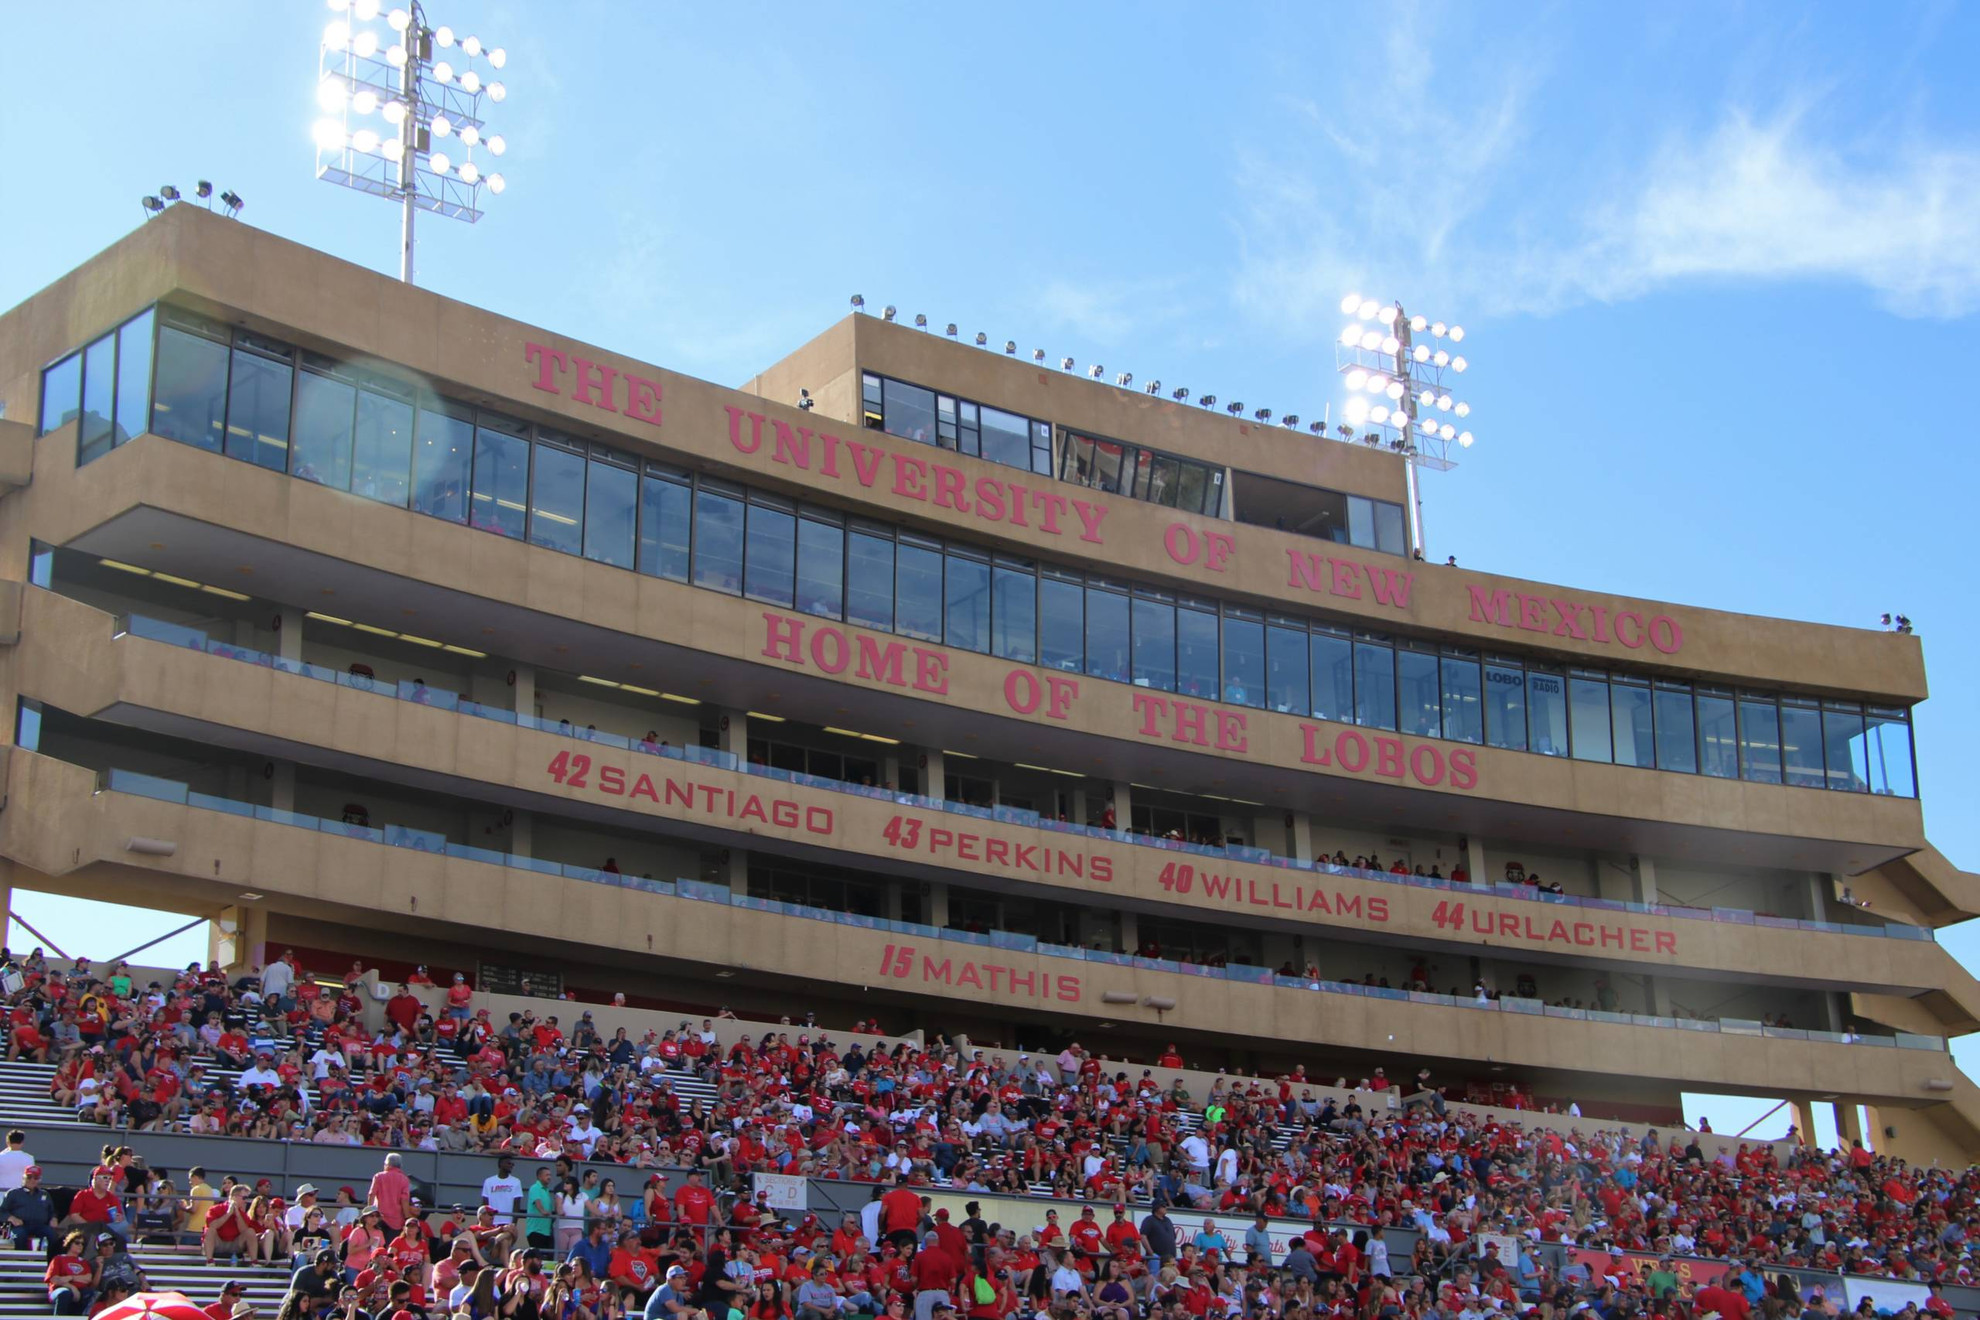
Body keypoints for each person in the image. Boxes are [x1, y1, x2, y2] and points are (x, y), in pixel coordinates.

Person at [2, 1163, 53, 1249]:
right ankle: (21, 1260)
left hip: (40, 1226)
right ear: (23, 1178)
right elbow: (2, 1211)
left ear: (39, 1179)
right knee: (19, 1236)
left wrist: (54, 1218)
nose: (32, 1180)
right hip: (19, 1226)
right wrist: (11, 1218)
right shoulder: (13, 1193)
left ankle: (48, 1260)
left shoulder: (44, 1194)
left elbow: (52, 1211)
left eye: (36, 1178)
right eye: (29, 1177)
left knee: (52, 1235)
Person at [46, 1230, 94, 1316]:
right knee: (65, 1293)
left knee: (89, 1293)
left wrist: (70, 1278)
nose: (80, 1245)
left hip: (80, 1292)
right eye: (77, 1243)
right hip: (59, 1291)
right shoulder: (58, 1259)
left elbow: (88, 1279)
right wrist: (72, 1287)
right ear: (69, 1243)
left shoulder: (84, 1262)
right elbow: (54, 1279)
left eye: (82, 1244)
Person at [368, 1154, 413, 1233]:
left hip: (378, 1217)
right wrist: (407, 1217)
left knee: (376, 1243)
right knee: (391, 1243)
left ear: (387, 1164)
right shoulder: (404, 1179)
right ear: (400, 1165)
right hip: (396, 1220)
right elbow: (404, 1200)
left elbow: (371, 1194)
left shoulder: (378, 1176)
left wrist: (369, 1213)